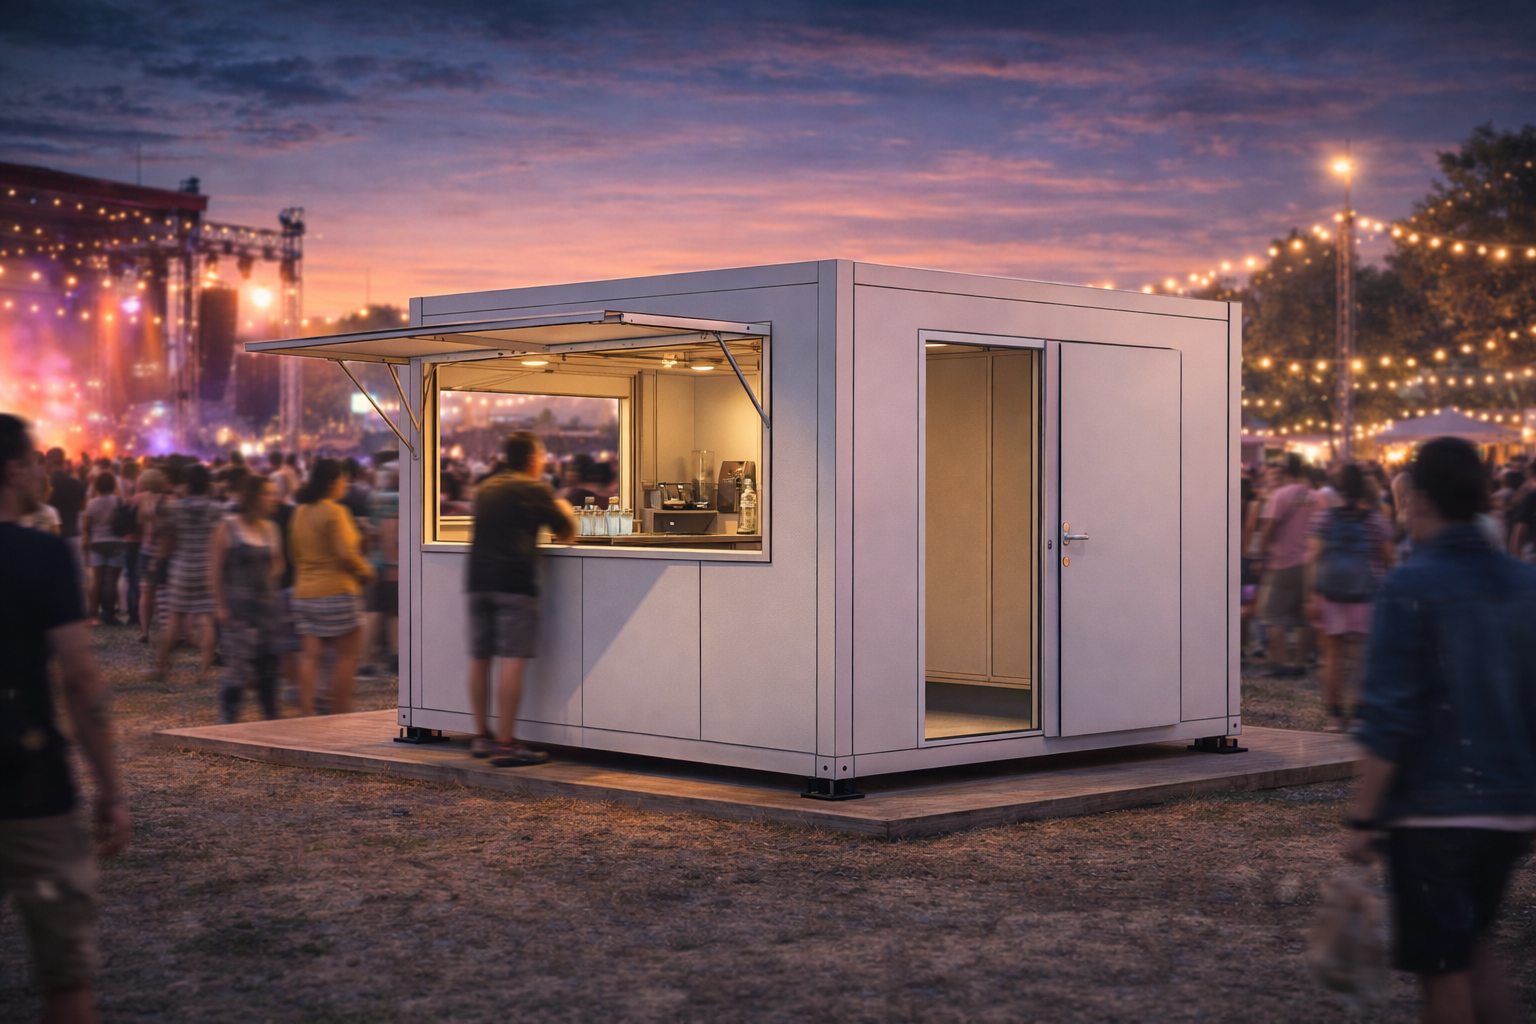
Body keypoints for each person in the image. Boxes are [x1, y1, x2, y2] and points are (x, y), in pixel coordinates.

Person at [1345, 437, 1536, 1024]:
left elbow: (1392, 714)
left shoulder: (1411, 585)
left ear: (1417, 498)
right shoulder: (1524, 584)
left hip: (1435, 811)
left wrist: (1362, 815)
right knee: (1472, 948)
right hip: (1512, 805)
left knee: (1444, 974)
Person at [0, 414, 131, 1024]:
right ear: (14, 469)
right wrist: (110, 786)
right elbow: (79, 680)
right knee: (65, 974)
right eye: (32, 460)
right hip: (28, 780)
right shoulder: (42, 553)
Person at [465, 431, 577, 767]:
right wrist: (562, 505)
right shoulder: (535, 489)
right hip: (514, 582)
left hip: (477, 581)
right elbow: (567, 533)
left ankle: (481, 736)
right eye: (542, 456)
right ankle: (506, 744)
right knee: (511, 661)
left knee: (480, 659)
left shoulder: (484, 488)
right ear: (531, 459)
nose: (544, 461)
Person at [1305, 464, 1394, 732]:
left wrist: (1310, 595)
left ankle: (1334, 716)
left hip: (1330, 594)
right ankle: (1358, 715)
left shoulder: (1324, 518)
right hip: (1367, 593)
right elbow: (1390, 559)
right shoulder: (1378, 520)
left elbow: (1313, 559)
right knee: (1364, 656)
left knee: (1333, 656)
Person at [289, 459, 374, 715]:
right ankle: (340, 713)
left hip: (305, 592)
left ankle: (307, 713)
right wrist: (365, 572)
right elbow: (345, 554)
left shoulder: (299, 512)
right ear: (331, 484)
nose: (345, 484)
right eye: (342, 479)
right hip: (337, 591)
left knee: (311, 656)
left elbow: (295, 552)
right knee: (346, 657)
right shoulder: (336, 513)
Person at [210, 475, 284, 723]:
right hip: (238, 610)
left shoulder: (270, 529)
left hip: (265, 610)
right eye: (268, 493)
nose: (274, 498)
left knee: (268, 666)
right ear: (254, 497)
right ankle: (228, 719)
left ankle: (271, 718)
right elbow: (216, 568)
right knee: (238, 669)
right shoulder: (229, 527)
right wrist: (221, 605)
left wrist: (268, 582)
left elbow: (278, 562)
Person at [154, 463, 222, 682]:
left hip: (181, 567)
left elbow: (168, 539)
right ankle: (205, 671)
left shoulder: (176, 508)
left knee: (174, 618)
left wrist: (159, 562)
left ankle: (162, 666)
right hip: (206, 568)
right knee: (206, 620)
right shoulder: (216, 509)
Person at [1256, 454, 1316, 676]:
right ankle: (1300, 664)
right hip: (1311, 564)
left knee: (1273, 614)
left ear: (1287, 471)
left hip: (1283, 563)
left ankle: (1280, 664)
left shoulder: (1280, 495)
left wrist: (1260, 555)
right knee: (1304, 617)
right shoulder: (1316, 497)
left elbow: (1269, 528)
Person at [362, 464, 400, 675]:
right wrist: (394, 563)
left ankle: (365, 661)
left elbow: (371, 528)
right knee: (394, 612)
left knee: (374, 612)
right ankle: (395, 657)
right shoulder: (397, 499)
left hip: (374, 562)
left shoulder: (374, 497)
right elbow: (390, 530)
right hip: (389, 563)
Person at [80, 472, 126, 626]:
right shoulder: (118, 501)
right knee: (112, 580)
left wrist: (86, 542)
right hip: (116, 543)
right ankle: (110, 614)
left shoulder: (91, 503)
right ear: (113, 485)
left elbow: (87, 526)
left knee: (97, 580)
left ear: (97, 486)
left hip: (97, 543)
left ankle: (93, 614)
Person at [131, 470, 170, 645]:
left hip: (145, 550)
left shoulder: (142, 499)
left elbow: (139, 523)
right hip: (163, 551)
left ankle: (145, 632)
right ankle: (167, 632)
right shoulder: (167, 500)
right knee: (164, 593)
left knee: (145, 593)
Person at [45, 448, 87, 584]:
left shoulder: (47, 485)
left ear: (49, 461)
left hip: (52, 537)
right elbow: (83, 508)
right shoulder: (78, 484)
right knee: (76, 578)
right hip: (73, 535)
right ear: (63, 462)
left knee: (54, 578)